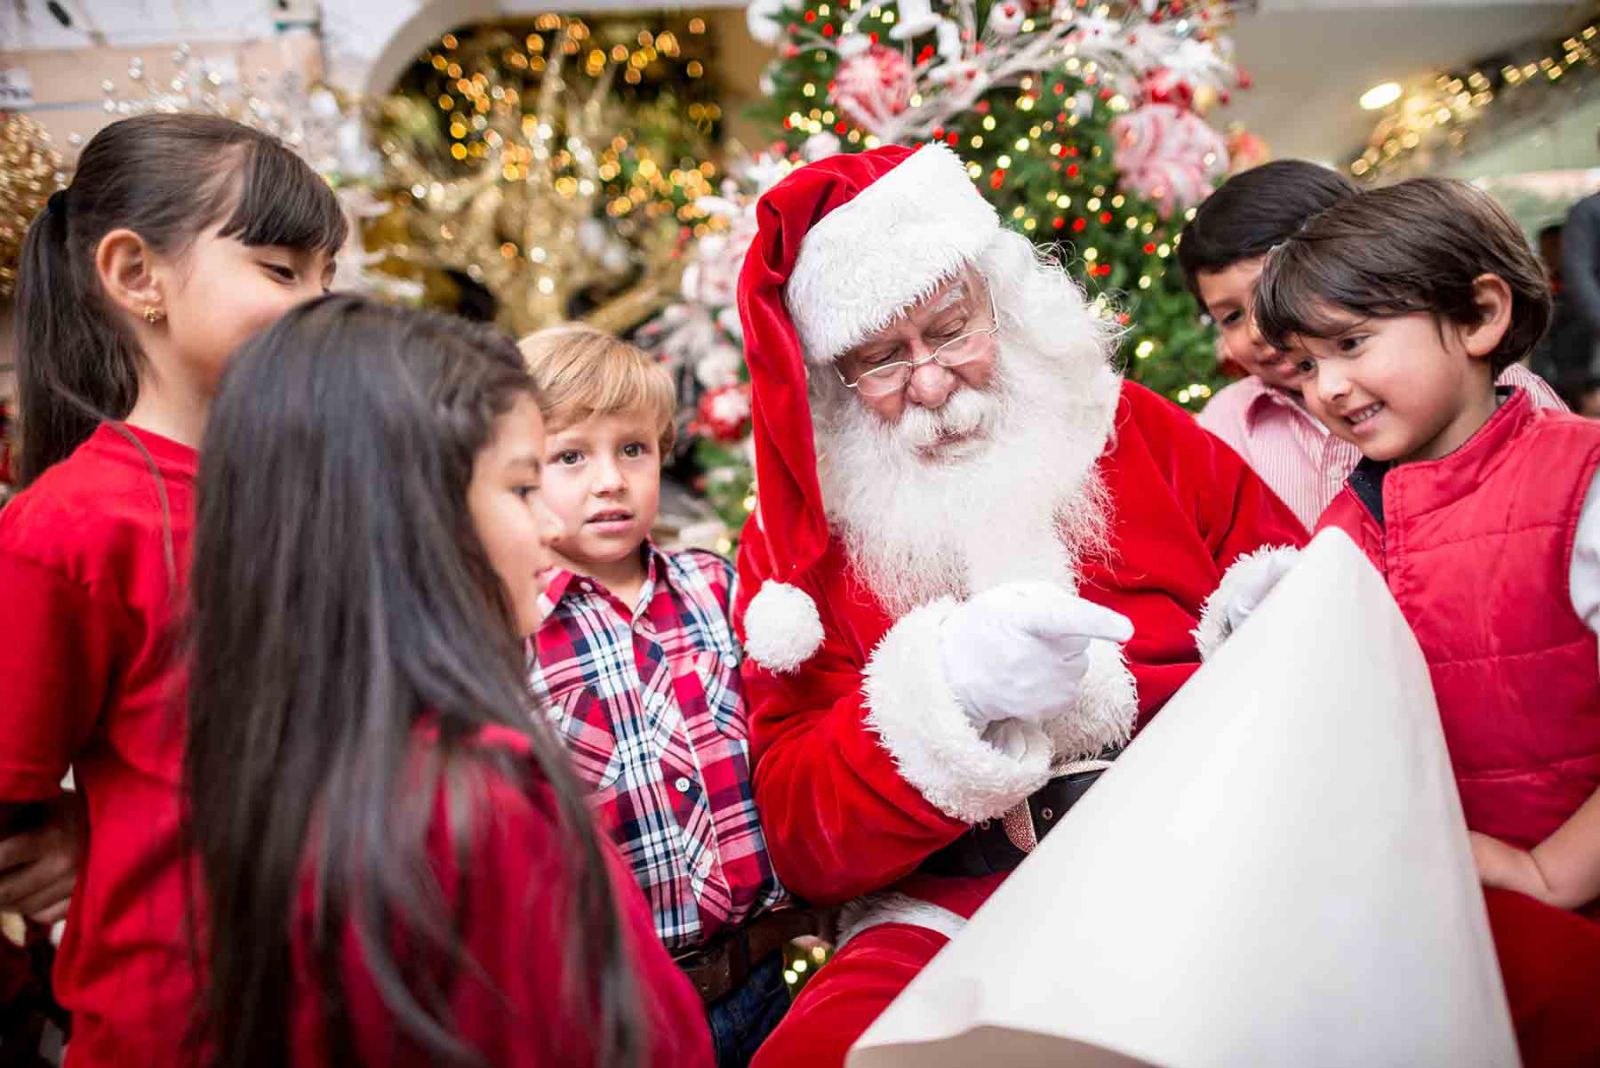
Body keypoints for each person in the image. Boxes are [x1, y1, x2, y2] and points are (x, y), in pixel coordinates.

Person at [729, 143, 1306, 1068]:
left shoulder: (1130, 424)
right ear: (833, 379)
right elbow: (804, 839)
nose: (929, 381)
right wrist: (943, 702)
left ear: (1002, 300)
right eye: (879, 360)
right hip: (952, 911)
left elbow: (1299, 596)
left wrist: (1267, 635)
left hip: (1199, 847)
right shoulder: (798, 541)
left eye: (951, 329)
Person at [186, 297, 712, 1068]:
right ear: (413, 513)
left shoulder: (300, 760)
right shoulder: (478, 800)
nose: (549, 527)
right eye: (524, 487)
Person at [0, 113, 346, 1065]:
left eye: (327, 277)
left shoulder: (322, 488)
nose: (319, 306)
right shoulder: (73, 528)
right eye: (281, 271)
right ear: (136, 275)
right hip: (187, 1022)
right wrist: (79, 832)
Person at [1250, 176, 1600, 1067]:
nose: (1328, 388)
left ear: (1480, 315)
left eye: (1352, 343)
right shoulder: (1343, 529)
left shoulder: (1581, 482)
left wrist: (1553, 869)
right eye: (1305, 365)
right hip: (1454, 942)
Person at [519, 326, 800, 1068]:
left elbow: (781, 739)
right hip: (614, 1026)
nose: (610, 480)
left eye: (633, 450)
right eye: (571, 456)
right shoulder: (507, 632)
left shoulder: (716, 587)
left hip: (758, 983)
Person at [1180, 160, 1563, 529]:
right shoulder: (1226, 423)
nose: (1258, 329)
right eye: (1230, 316)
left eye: (1350, 343)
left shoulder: (1503, 392)